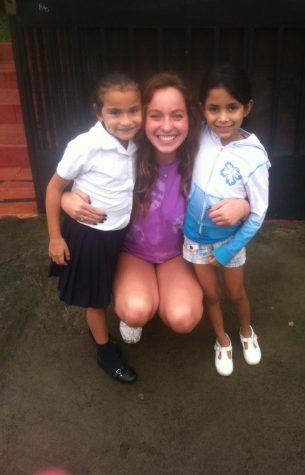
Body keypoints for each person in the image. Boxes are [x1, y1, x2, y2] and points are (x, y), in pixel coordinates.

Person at [61, 73, 249, 345]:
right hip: (132, 252)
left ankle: (159, 296)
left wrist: (243, 205)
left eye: (177, 115)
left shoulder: (204, 157)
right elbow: (75, 179)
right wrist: (68, 200)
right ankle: (134, 310)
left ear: (190, 118)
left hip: (177, 254)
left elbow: (248, 183)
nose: (167, 126)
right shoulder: (124, 154)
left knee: (183, 318)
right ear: (142, 118)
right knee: (136, 310)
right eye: (156, 115)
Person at [46, 71, 142, 383]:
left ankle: (113, 326)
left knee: (111, 283)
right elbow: (53, 188)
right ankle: (104, 350)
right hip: (90, 235)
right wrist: (55, 237)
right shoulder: (86, 145)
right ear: (98, 111)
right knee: (96, 296)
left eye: (133, 110)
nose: (126, 120)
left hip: (120, 233)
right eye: (115, 112)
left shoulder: (139, 141)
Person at [183, 64, 270, 376]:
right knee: (211, 296)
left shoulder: (255, 157)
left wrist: (229, 248)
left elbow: (258, 212)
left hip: (230, 243)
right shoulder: (199, 135)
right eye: (213, 108)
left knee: (236, 294)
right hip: (195, 242)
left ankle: (246, 332)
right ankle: (222, 340)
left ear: (247, 107)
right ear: (202, 109)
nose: (222, 118)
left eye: (232, 108)